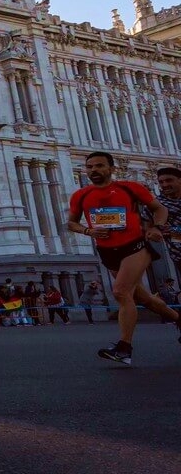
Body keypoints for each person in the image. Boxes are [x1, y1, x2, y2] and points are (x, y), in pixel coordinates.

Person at [66, 151, 181, 365]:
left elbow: (160, 208)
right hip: (107, 251)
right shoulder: (81, 195)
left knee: (120, 291)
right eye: (90, 167)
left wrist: (156, 227)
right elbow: (71, 223)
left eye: (99, 166)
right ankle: (179, 320)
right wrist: (88, 231)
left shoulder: (129, 188)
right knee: (142, 298)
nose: (94, 170)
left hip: (135, 247)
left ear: (111, 168)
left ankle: (124, 348)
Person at [156, 166, 181, 280]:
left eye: (169, 180)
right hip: (178, 255)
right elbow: (146, 226)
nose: (164, 185)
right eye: (161, 182)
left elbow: (173, 231)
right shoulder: (158, 203)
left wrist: (174, 231)